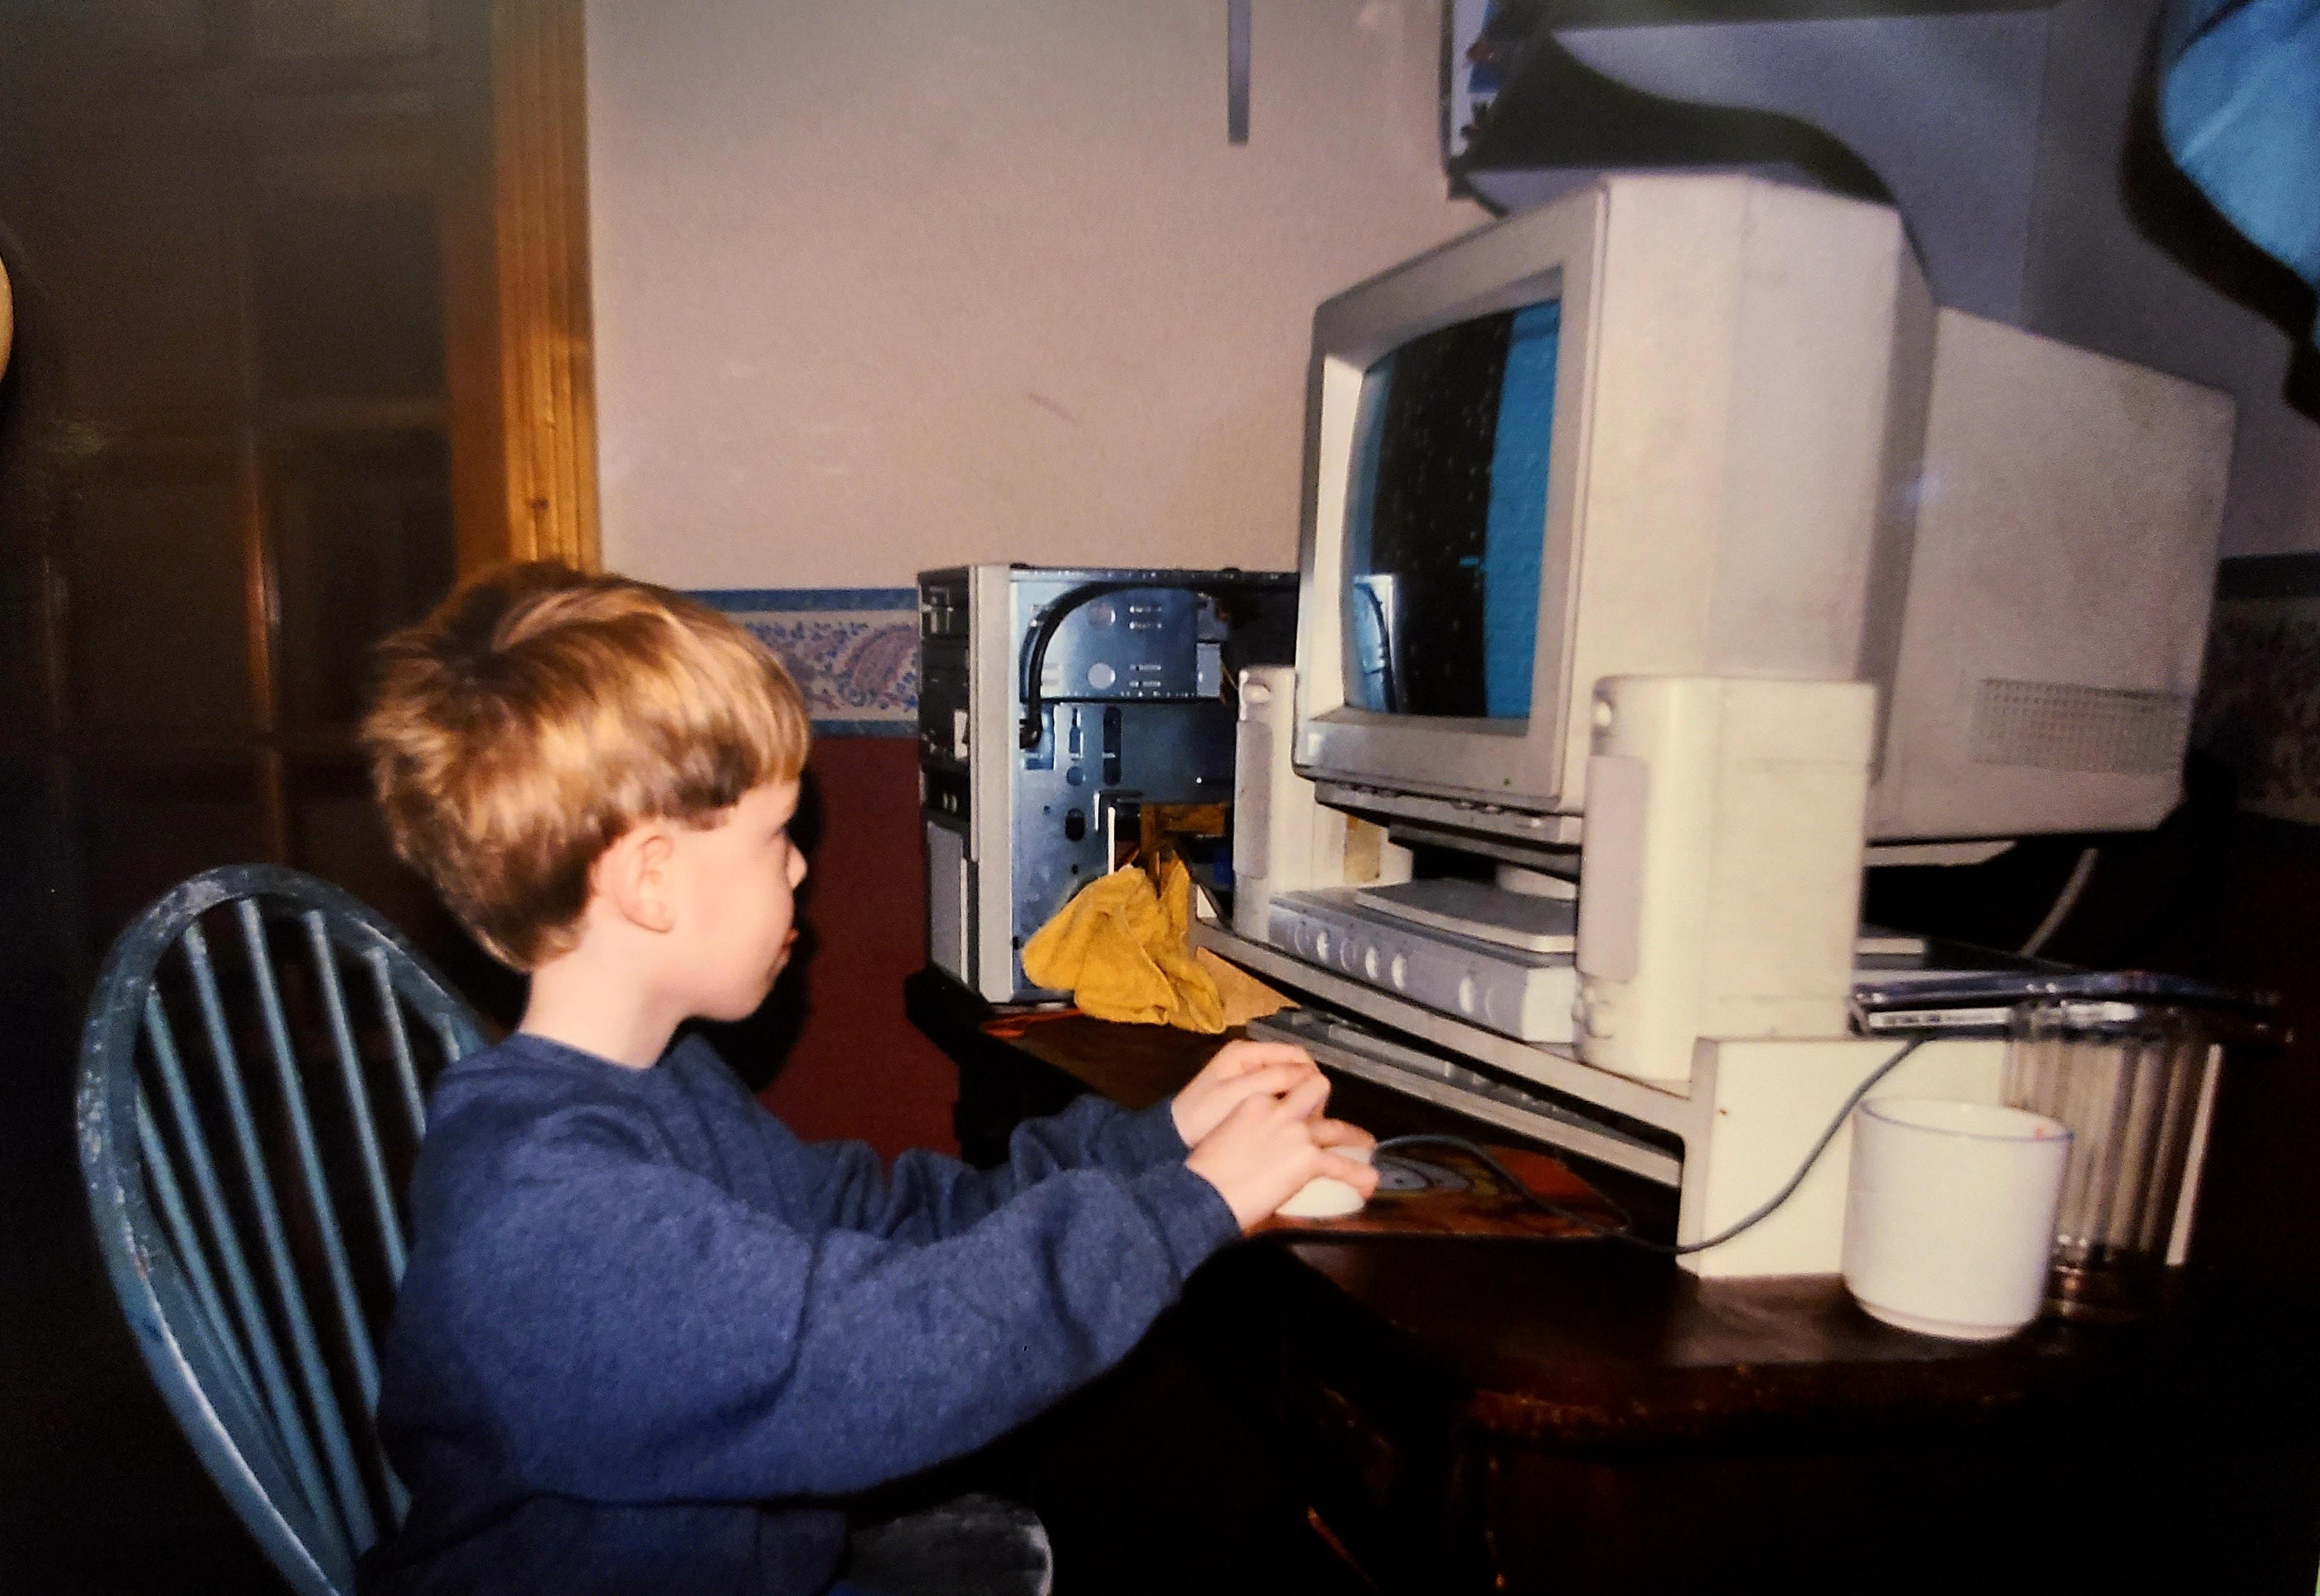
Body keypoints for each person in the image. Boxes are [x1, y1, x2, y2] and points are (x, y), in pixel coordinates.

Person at [356, 562, 1376, 1595]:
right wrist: (1187, 1209)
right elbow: (885, 1361)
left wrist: (1159, 1143)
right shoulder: (551, 1213)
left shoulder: (657, 1083)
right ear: (651, 880)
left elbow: (881, 1223)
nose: (800, 868)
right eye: (774, 837)